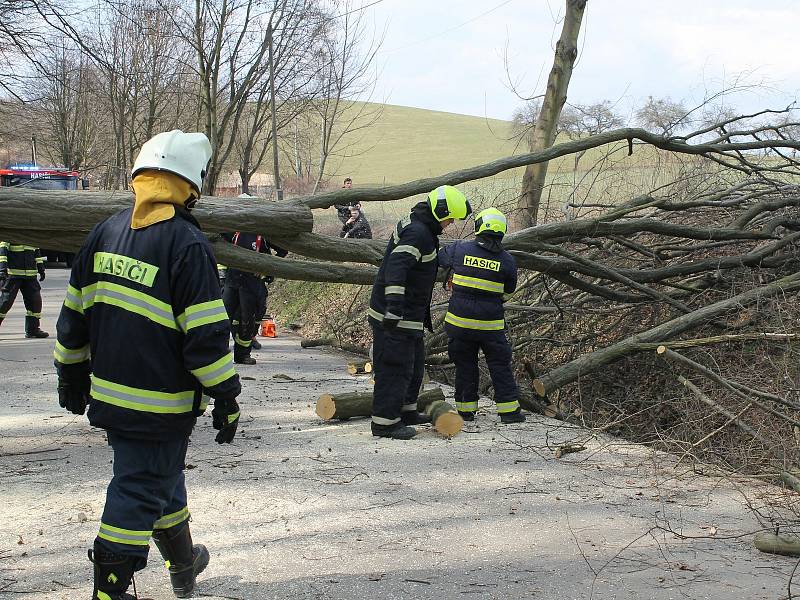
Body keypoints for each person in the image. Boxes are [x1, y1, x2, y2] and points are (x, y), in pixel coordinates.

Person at [53, 130, 242, 600]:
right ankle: (108, 591)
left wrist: (69, 371)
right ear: (189, 186)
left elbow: (73, 315)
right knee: (138, 489)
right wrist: (226, 393)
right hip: (161, 406)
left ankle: (183, 566)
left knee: (163, 478)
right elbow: (206, 338)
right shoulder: (186, 244)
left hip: (113, 398)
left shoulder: (106, 231)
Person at [368, 185, 472, 439]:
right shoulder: (418, 233)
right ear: (440, 212)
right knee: (394, 368)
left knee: (413, 367)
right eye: (450, 219)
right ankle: (384, 423)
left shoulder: (421, 225)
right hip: (395, 315)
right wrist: (393, 307)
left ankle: (406, 411)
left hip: (410, 315)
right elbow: (397, 267)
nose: (450, 224)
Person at [438, 208, 525, 424]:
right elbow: (508, 292)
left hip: (460, 325)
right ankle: (509, 413)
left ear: (478, 227)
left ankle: (466, 412)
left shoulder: (460, 249)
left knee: (465, 365)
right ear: (502, 231)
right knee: (499, 366)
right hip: (491, 328)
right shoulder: (507, 261)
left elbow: (439, 258)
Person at [222, 194, 287, 363]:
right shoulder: (231, 228)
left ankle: (243, 355)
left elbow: (282, 250)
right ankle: (220, 352)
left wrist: (266, 270)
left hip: (251, 282)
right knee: (224, 316)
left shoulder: (263, 232)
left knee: (247, 320)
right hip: (232, 279)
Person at [0, 242, 49, 338]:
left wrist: (41, 268)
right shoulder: (12, 232)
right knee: (5, 302)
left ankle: (33, 329)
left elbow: (36, 251)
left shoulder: (30, 235)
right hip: (13, 275)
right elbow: (2, 251)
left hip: (30, 276)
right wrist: (2, 270)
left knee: (35, 302)